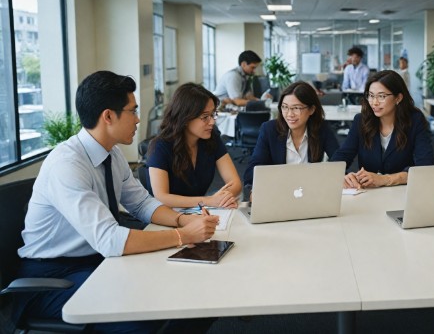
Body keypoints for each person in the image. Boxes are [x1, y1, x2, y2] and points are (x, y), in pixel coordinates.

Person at [14, 71, 219, 333]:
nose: (138, 119)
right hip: (52, 279)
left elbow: (143, 204)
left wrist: (183, 219)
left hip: (95, 261)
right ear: (108, 116)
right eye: (133, 111)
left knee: (187, 290)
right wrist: (182, 235)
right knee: (139, 315)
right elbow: (109, 239)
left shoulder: (113, 154)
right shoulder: (67, 165)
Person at [331, 70, 434, 188]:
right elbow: (341, 157)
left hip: (403, 193)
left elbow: (426, 167)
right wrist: (344, 176)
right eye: (371, 95)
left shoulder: (415, 121)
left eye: (381, 96)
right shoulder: (361, 121)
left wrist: (386, 179)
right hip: (369, 193)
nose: (374, 102)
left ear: (398, 98)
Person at [147, 83, 242, 208]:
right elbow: (162, 197)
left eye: (213, 114)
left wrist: (223, 198)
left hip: (198, 212)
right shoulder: (161, 146)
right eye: (205, 117)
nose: (212, 122)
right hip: (166, 215)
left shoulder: (211, 139)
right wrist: (209, 201)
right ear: (185, 118)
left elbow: (235, 183)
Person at [243, 81, 340, 186]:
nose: (289, 114)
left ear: (311, 109)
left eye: (296, 108)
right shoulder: (269, 130)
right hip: (278, 190)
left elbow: (338, 161)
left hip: (310, 190)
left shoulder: (321, 128)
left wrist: (345, 177)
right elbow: (251, 172)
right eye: (285, 107)